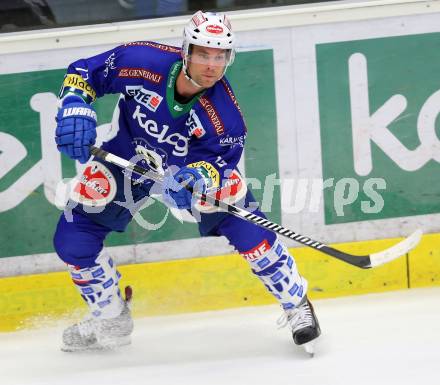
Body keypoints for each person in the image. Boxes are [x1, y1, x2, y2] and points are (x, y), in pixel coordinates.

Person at [53, 10, 321, 353]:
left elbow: (221, 166)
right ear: (186, 51)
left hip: (185, 174)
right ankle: (110, 316)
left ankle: (296, 302)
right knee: (73, 238)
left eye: (220, 56)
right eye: (204, 54)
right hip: (127, 160)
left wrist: (198, 178)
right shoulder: (142, 61)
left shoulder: (225, 116)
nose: (212, 65)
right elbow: (84, 71)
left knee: (248, 230)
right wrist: (75, 103)